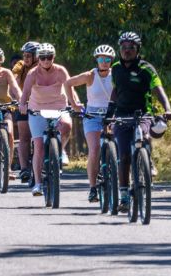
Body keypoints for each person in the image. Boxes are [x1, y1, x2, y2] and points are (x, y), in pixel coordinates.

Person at [107, 31, 171, 213]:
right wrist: (109, 111)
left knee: (144, 135)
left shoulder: (146, 68)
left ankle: (147, 161)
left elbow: (158, 90)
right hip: (122, 114)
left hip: (143, 113)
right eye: (124, 48)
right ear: (120, 50)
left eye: (131, 48)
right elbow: (115, 90)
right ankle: (124, 196)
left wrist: (167, 108)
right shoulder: (115, 68)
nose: (127, 51)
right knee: (124, 156)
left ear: (138, 50)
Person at [18, 43, 76, 196]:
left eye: (48, 57)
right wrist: (23, 105)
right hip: (37, 110)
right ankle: (37, 184)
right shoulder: (32, 73)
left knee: (67, 125)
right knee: (38, 146)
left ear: (53, 57)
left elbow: (70, 89)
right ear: (38, 58)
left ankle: (60, 149)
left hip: (59, 108)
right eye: (42, 57)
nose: (45, 60)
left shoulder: (60, 71)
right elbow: (25, 94)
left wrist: (76, 104)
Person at [65, 44, 116, 203]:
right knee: (94, 150)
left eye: (107, 59)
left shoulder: (116, 75)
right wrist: (74, 103)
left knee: (120, 148)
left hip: (112, 116)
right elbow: (68, 83)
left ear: (112, 60)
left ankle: (119, 182)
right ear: (97, 60)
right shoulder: (90, 76)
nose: (104, 62)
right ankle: (93, 188)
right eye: (101, 59)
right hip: (92, 116)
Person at [12, 41, 40, 183]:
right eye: (24, 55)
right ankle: (24, 169)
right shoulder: (20, 66)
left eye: (29, 55)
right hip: (25, 104)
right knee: (24, 137)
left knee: (38, 137)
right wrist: (16, 97)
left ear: (36, 56)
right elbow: (15, 81)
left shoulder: (42, 65)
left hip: (41, 104)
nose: (26, 58)